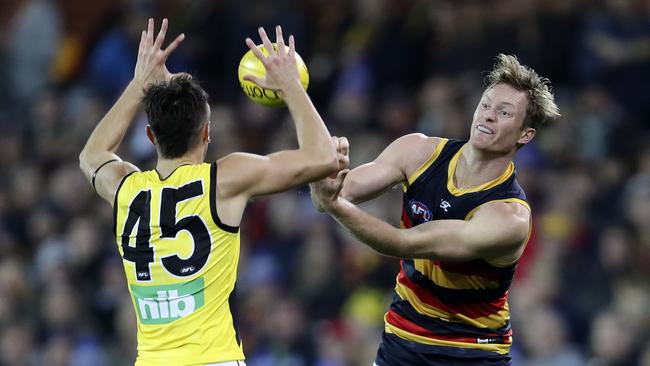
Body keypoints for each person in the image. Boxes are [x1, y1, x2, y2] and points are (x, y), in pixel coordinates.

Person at [79, 19, 340, 366]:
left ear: (150, 136)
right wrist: (292, 86)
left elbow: (91, 155)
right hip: (213, 359)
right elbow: (323, 157)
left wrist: (139, 83)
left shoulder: (126, 189)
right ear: (206, 134)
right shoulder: (224, 180)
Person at [311, 54, 561, 366]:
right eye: (485, 105)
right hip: (402, 342)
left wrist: (332, 204)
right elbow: (339, 189)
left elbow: (401, 242)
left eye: (504, 112)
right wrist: (297, 93)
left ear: (525, 134)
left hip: (471, 354)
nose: (489, 116)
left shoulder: (508, 216)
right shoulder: (418, 151)